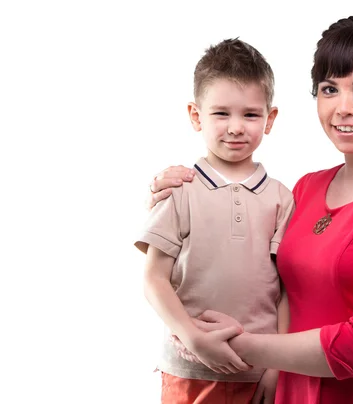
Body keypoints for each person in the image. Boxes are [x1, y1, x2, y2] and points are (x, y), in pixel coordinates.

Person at [149, 16, 353, 404]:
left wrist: (243, 347)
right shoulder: (307, 188)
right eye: (329, 89)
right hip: (296, 390)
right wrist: (174, 189)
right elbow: (259, 266)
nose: (343, 107)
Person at [135, 38, 294, 404]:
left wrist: (277, 366)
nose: (236, 127)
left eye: (250, 114)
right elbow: (153, 277)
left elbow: (287, 291)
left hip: (258, 371)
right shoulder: (177, 190)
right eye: (221, 113)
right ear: (196, 116)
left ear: (269, 119)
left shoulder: (282, 199)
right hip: (188, 370)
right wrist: (192, 337)